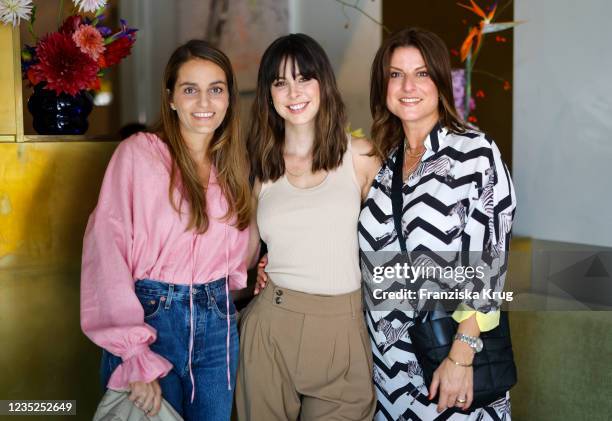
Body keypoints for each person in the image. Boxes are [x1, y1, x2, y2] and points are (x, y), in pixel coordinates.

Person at [80, 40, 256, 420]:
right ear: (171, 98)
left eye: (216, 89)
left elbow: (240, 255)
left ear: (228, 99)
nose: (204, 102)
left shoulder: (234, 167)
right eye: (190, 89)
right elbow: (106, 252)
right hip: (152, 321)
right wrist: (132, 354)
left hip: (217, 327)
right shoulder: (139, 155)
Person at [359, 28, 516, 420]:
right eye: (395, 74)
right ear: (383, 85)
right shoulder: (385, 165)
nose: (408, 85)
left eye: (422, 73)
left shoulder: (472, 153)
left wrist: (462, 358)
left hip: (448, 366)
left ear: (441, 82)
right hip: (385, 373)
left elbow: (489, 266)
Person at [235, 33, 380, 421]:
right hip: (271, 327)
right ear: (268, 94)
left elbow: (397, 237)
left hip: (345, 330)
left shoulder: (362, 157)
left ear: (323, 83)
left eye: (304, 78)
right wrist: (254, 271)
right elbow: (241, 251)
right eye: (279, 82)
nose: (293, 91)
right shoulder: (258, 166)